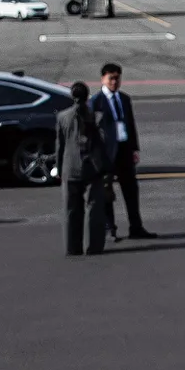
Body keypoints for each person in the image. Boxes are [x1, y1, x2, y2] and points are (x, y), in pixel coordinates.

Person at [89, 62, 156, 240]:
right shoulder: (96, 103)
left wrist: (134, 148)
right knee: (107, 192)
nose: (114, 82)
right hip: (107, 153)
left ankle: (136, 227)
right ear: (103, 79)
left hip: (124, 150)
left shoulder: (124, 99)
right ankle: (110, 228)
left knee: (131, 190)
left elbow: (130, 125)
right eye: (111, 78)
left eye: (117, 78)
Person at [57, 81, 116, 256]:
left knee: (71, 210)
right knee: (94, 209)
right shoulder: (97, 117)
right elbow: (106, 142)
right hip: (93, 168)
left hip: (71, 167)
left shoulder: (62, 117)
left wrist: (60, 169)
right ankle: (94, 246)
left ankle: (72, 246)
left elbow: (60, 146)